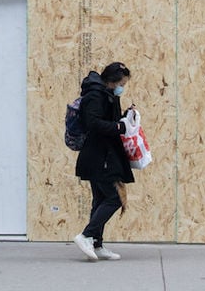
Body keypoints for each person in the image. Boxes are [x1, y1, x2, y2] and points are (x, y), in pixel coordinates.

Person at [73, 61, 134, 262]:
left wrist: (126, 118)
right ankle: (86, 236)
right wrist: (119, 127)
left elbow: (111, 120)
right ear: (112, 81)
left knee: (100, 200)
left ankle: (97, 244)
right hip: (98, 157)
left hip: (105, 155)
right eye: (122, 83)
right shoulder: (95, 96)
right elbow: (93, 123)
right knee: (114, 198)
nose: (122, 87)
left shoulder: (109, 95)